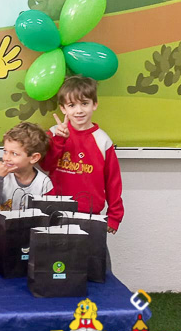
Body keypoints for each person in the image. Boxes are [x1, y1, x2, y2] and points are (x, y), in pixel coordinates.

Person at [42, 75, 123, 234]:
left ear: (95, 104)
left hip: (89, 215)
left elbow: (113, 181)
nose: (79, 110)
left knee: (92, 251)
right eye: (72, 105)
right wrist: (59, 140)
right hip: (54, 211)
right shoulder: (54, 133)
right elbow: (46, 165)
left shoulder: (102, 140)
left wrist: (114, 216)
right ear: (63, 108)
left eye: (84, 103)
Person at [0, 122, 53, 241]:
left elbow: (44, 217)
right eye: (5, 151)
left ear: (34, 158)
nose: (6, 158)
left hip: (17, 235)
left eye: (14, 154)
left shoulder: (44, 183)